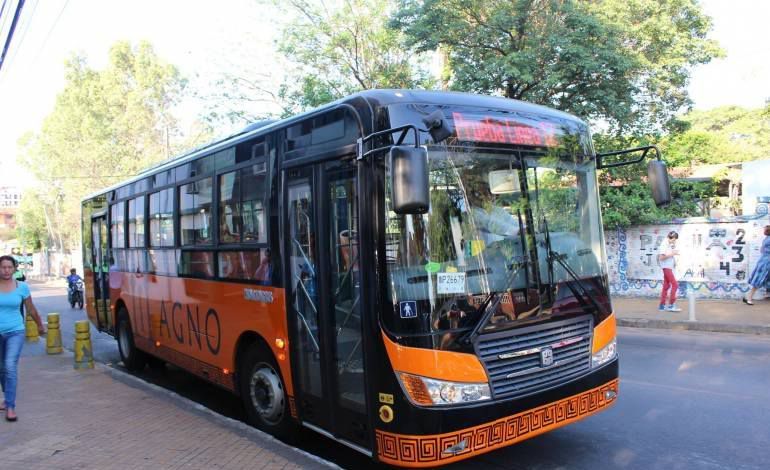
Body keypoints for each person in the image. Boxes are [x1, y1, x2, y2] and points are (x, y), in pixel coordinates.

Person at [0, 254, 46, 422]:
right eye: (3, 267)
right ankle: (6, 398)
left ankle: (11, 406)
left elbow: (31, 308)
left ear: (14, 269)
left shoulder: (22, 287)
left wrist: (40, 325)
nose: (6, 270)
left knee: (10, 366)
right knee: (1, 368)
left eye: (9, 267)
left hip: (15, 332)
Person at [743, 225, 770, 306]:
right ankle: (749, 297)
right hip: (767, 262)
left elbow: (762, 250)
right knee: (760, 280)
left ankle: (748, 296)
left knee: (760, 279)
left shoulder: (766, 239)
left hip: (763, 261)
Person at [658, 231, 682, 312]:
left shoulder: (668, 244)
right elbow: (661, 257)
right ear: (672, 238)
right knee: (675, 285)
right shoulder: (664, 244)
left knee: (666, 286)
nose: (675, 241)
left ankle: (662, 306)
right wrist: (672, 254)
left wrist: (673, 251)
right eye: (674, 240)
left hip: (668, 267)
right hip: (666, 267)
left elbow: (668, 253)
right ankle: (671, 305)